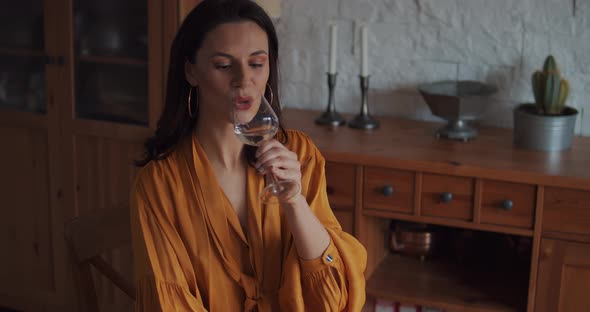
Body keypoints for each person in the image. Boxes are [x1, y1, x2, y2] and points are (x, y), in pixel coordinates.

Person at [130, 0, 367, 311]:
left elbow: (334, 300)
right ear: (191, 71)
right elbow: (169, 304)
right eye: (224, 65)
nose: (244, 81)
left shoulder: (300, 156)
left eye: (257, 64)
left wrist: (295, 202)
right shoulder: (160, 185)